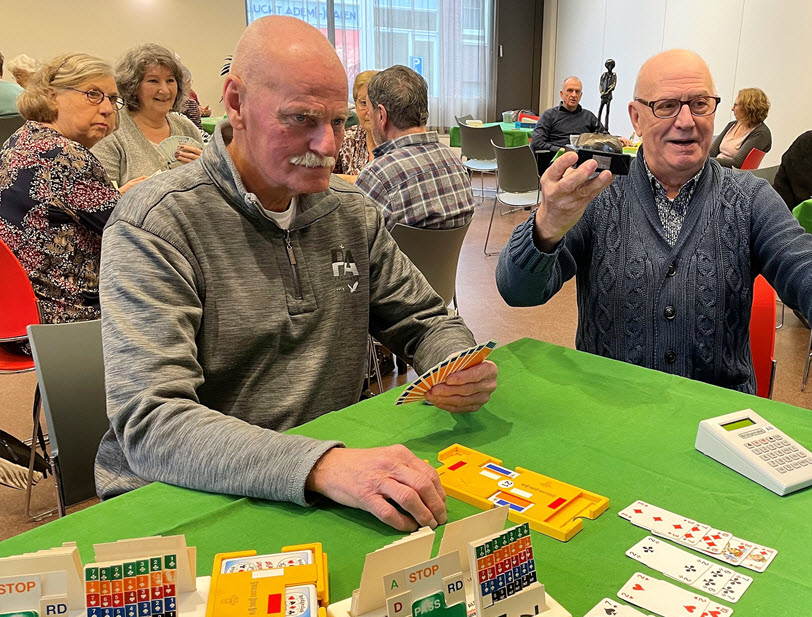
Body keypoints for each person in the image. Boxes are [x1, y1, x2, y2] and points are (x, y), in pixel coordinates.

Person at [95, 17, 498, 533]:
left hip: (324, 480)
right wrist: (322, 464)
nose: (328, 145)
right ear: (236, 104)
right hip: (187, 497)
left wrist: (453, 363)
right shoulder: (155, 224)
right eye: (302, 119)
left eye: (341, 121)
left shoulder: (352, 212)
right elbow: (152, 423)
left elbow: (425, 319)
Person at [496, 49, 812, 446]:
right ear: (636, 117)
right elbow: (518, 291)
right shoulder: (598, 194)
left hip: (720, 429)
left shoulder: (749, 198)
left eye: (700, 104)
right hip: (605, 417)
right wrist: (546, 225)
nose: (686, 120)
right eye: (666, 106)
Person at [0, 53, 142, 340]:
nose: (106, 109)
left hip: (21, 312)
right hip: (69, 319)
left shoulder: (20, 140)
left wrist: (115, 196)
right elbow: (135, 230)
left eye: (112, 99)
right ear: (52, 96)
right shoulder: (66, 156)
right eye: (93, 95)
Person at [355, 65, 474, 232]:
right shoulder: (456, 164)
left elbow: (352, 240)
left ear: (381, 115)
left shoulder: (379, 175)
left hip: (393, 259)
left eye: (369, 109)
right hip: (442, 259)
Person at [92, 43, 203, 185]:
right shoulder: (111, 130)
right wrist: (125, 194)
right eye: (153, 81)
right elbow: (103, 200)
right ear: (132, 86)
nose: (165, 90)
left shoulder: (186, 128)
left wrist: (205, 170)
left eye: (170, 80)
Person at [709, 87, 772, 168]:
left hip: (732, 175)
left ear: (747, 108)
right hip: (715, 167)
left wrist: (705, 161)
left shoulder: (761, 133)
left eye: (735, 105)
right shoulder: (732, 125)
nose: (732, 109)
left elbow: (737, 163)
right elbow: (712, 151)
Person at [334, 69, 376, 182]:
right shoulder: (346, 138)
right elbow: (326, 179)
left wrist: (350, 180)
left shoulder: (395, 138)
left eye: (375, 103)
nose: (369, 111)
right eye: (363, 103)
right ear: (355, 104)